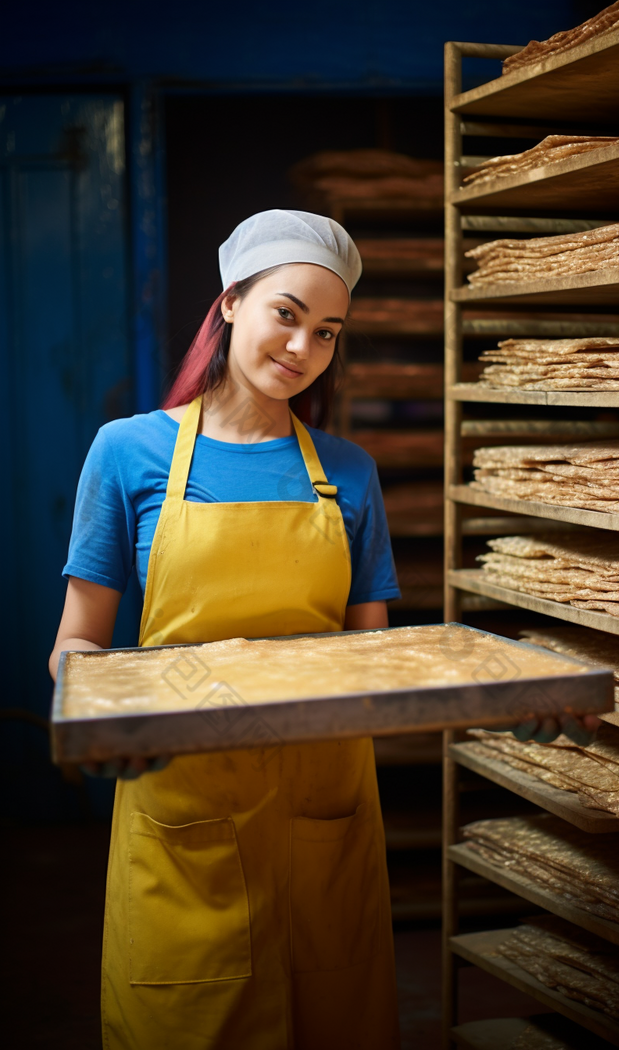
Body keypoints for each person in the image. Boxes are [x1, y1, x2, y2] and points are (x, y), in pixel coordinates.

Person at [49, 210, 403, 1049]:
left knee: (335, 1013)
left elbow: (377, 655)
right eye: (286, 313)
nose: (302, 348)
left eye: (327, 331)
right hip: (183, 798)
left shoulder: (351, 473)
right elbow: (78, 644)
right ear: (232, 303)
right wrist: (107, 728)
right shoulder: (126, 452)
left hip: (326, 799)